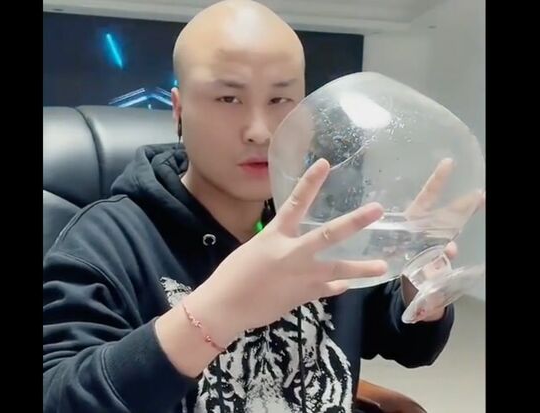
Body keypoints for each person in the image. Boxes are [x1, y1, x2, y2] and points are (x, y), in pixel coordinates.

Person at [43, 1, 465, 412]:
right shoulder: (105, 242)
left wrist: (417, 291)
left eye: (281, 100)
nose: (260, 131)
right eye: (229, 98)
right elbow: (60, 396)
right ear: (179, 109)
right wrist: (216, 313)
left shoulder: (323, 223)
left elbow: (402, 339)